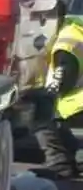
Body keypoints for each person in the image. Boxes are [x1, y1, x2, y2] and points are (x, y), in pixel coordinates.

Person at [33, 50, 82, 181]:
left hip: (74, 102)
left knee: (43, 127)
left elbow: (63, 75)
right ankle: (66, 166)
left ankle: (59, 168)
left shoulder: (68, 38)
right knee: (65, 136)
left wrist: (51, 90)